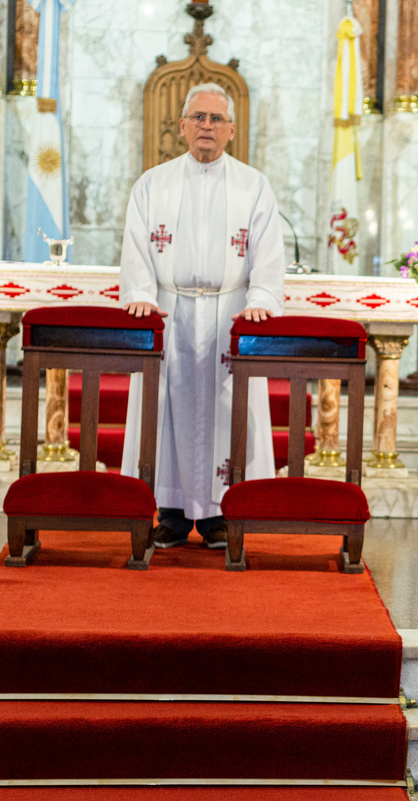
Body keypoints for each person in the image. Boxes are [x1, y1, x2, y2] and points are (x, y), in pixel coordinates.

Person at [118, 82, 284, 548]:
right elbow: (135, 247)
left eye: (216, 119)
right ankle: (170, 513)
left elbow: (269, 254)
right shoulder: (153, 183)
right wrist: (139, 293)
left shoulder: (254, 186)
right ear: (183, 126)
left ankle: (218, 515)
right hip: (169, 313)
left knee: (225, 409)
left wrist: (262, 300)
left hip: (231, 313)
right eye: (198, 118)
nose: (206, 126)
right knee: (165, 407)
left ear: (231, 129)